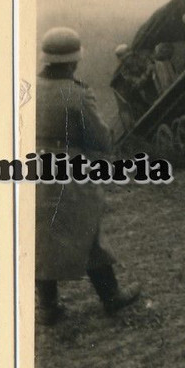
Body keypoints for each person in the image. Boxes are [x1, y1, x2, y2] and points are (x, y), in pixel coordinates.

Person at [35, 26, 140, 325]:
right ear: (73, 61)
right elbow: (100, 138)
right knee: (87, 232)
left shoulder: (27, 89)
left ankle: (48, 308)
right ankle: (111, 297)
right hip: (69, 173)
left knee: (40, 236)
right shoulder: (77, 94)